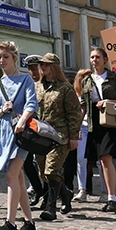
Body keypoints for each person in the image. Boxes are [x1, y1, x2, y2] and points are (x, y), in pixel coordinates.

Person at [0, 41, 39, 230]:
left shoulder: (25, 79)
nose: (2, 61)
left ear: (14, 58)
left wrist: (23, 120)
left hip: (21, 133)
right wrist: (2, 110)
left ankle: (10, 222)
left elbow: (31, 103)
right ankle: (29, 221)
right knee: (17, 177)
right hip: (3, 131)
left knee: (11, 174)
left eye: (6, 57)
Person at [34, 54, 82, 221]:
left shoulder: (65, 88)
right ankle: (65, 194)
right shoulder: (36, 87)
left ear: (54, 66)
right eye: (41, 65)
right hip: (40, 135)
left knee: (52, 170)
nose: (42, 67)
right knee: (44, 173)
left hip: (60, 135)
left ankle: (51, 207)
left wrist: (74, 136)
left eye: (46, 64)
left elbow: (75, 113)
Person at [80, 48, 116, 213]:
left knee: (106, 159)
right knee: (100, 160)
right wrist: (77, 126)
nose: (95, 60)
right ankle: (108, 197)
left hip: (110, 121)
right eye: (92, 57)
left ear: (105, 59)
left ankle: (112, 198)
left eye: (98, 57)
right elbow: (83, 105)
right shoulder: (86, 80)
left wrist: (108, 101)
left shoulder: (114, 78)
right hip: (94, 123)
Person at [22, 55, 47, 209]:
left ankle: (51, 194)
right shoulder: (27, 84)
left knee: (44, 164)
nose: (33, 72)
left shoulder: (48, 84)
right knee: (26, 162)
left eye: (36, 68)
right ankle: (38, 189)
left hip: (46, 128)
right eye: (30, 69)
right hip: (31, 128)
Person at [70, 69, 94, 202]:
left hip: (95, 126)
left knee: (100, 160)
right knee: (81, 159)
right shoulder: (75, 95)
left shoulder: (95, 93)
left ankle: (106, 191)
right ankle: (82, 189)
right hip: (82, 128)